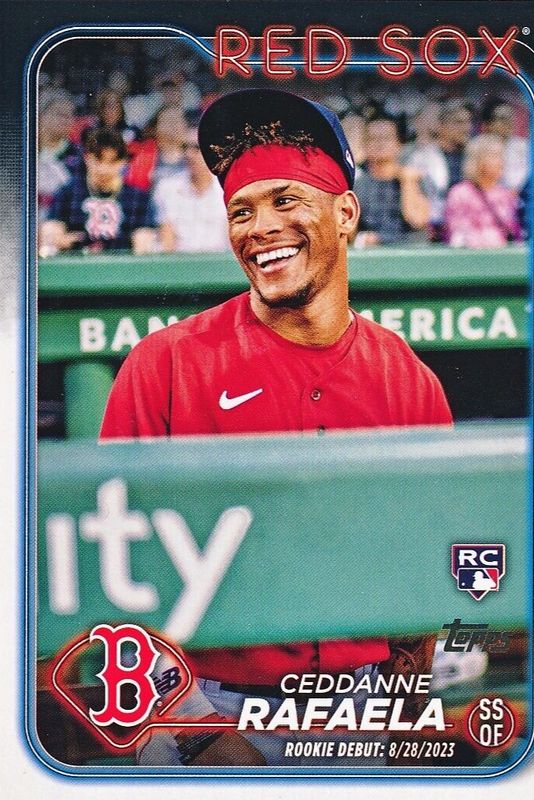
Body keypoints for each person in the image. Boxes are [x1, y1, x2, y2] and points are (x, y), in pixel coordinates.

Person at [100, 88, 452, 765]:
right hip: (206, 703)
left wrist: (400, 720)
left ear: (345, 213)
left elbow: (425, 575)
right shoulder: (164, 364)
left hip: (359, 709)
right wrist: (198, 729)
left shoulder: (408, 379)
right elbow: (113, 574)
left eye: (285, 201)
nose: (259, 227)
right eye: (241, 210)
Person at [40, 128, 156, 255]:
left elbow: (144, 239)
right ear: (87, 158)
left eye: (112, 162)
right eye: (98, 160)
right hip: (78, 263)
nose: (103, 169)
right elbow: (51, 230)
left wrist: (142, 243)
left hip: (122, 264)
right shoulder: (67, 194)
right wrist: (57, 239)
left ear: (123, 162)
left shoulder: (138, 198)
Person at [353, 113, 430, 246]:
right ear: (364, 145)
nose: (380, 144)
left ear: (398, 144)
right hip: (372, 252)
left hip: (411, 251)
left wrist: (407, 182)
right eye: (373, 139)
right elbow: (351, 234)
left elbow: (417, 220)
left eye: (386, 138)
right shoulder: (358, 185)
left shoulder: (413, 177)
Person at [153, 124, 229, 252]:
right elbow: (167, 237)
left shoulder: (226, 188)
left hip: (219, 260)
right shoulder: (167, 188)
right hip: (180, 261)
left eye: (196, 148)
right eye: (185, 147)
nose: (189, 154)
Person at [404, 100, 473, 240]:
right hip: (433, 229)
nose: (466, 128)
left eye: (468, 122)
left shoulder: (474, 155)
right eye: (458, 122)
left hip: (468, 228)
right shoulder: (422, 157)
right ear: (441, 126)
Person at [444, 134, 522, 248]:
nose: (502, 162)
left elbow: (514, 233)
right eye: (495, 156)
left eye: (502, 156)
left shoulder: (505, 194)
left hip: (502, 255)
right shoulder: (460, 193)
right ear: (478, 161)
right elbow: (458, 235)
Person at [38, 90, 83, 220]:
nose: (66, 120)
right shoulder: (23, 149)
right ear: (41, 115)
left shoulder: (79, 155)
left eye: (70, 115)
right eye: (60, 114)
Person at [481, 98, 529, 192]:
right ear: (488, 125)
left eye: (510, 117)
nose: (509, 122)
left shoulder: (525, 146)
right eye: (502, 118)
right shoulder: (479, 148)